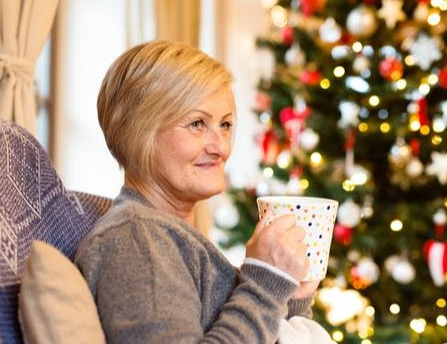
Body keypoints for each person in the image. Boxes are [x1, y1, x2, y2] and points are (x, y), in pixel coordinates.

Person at [75, 41, 320, 344]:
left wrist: (288, 297)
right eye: (196, 124)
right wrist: (264, 284)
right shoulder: (137, 238)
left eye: (226, 124)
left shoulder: (170, 235)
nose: (221, 147)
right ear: (138, 131)